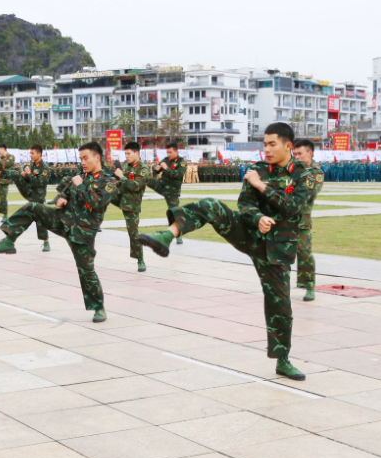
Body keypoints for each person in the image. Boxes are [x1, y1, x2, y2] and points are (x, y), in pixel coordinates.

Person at [138, 123, 313, 381]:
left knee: (280, 305)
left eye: (272, 144)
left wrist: (261, 186)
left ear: (288, 146)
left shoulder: (303, 175)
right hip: (249, 233)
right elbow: (245, 203)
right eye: (264, 144)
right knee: (211, 206)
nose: (266, 149)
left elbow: (294, 206)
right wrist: (258, 217)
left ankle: (283, 360)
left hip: (277, 247)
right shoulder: (258, 169)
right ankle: (166, 236)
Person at [0, 142, 116, 323]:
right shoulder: (80, 177)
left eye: (86, 158)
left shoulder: (107, 181)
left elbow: (97, 202)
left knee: (86, 272)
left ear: (97, 157)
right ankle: (9, 239)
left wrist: (79, 185)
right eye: (81, 159)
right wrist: (61, 198)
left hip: (82, 232)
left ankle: (98, 307)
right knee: (32, 207)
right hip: (63, 220)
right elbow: (64, 193)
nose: (83, 162)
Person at [1, 144, 52, 251]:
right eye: (30, 153)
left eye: (33, 153)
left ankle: (46, 242)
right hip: (30, 195)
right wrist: (25, 176)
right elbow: (30, 180)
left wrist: (28, 174)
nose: (31, 155)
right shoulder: (32, 166)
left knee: (38, 221)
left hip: (38, 198)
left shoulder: (45, 168)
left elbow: (40, 183)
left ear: (39, 154)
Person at [292, 139, 325, 302]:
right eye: (294, 154)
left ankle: (309, 286)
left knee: (304, 253)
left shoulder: (315, 173)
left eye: (299, 154)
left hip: (301, 220)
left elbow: (308, 194)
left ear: (310, 153)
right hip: (282, 219)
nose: (296, 157)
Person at [112, 141, 151, 272]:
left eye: (129, 153)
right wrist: (116, 181)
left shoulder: (143, 169)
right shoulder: (127, 167)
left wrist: (121, 177)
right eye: (125, 154)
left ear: (137, 153)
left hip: (132, 205)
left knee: (133, 233)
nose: (127, 156)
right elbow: (123, 184)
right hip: (121, 199)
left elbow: (135, 186)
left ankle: (140, 259)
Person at [145, 142, 188, 245]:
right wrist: (156, 169)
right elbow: (157, 170)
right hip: (161, 185)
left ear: (176, 151)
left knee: (173, 212)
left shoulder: (182, 162)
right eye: (167, 152)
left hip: (172, 191)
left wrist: (166, 168)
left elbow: (178, 174)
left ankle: (178, 235)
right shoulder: (165, 160)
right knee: (145, 179)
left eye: (170, 152)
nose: (168, 154)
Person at [0, 145, 16, 222]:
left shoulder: (11, 157)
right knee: (2, 197)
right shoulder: (1, 158)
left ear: (3, 149)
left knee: (3, 197)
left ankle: (5, 214)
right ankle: (4, 214)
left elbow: (6, 164)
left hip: (6, 180)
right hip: (0, 180)